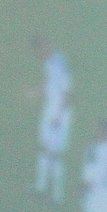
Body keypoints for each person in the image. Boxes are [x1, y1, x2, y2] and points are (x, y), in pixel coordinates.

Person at [32, 39, 72, 202]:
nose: (40, 55)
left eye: (42, 51)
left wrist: (59, 116)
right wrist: (36, 92)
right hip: (50, 110)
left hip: (59, 114)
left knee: (55, 154)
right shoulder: (49, 63)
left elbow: (68, 92)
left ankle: (58, 195)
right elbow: (49, 85)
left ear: (48, 49)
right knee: (43, 148)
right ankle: (40, 186)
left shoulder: (60, 64)